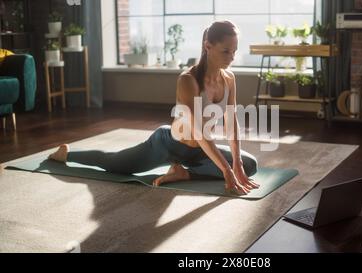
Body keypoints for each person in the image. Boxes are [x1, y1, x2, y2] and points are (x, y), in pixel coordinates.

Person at [49, 20, 259, 195]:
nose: (232, 57)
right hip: (168, 145)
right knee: (114, 165)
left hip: (200, 153)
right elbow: (199, 132)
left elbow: (231, 123)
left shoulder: (229, 78)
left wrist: (237, 163)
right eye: (226, 51)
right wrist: (226, 169)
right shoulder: (188, 80)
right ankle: (67, 154)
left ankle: (184, 174)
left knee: (249, 165)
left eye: (234, 51)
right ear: (208, 46)